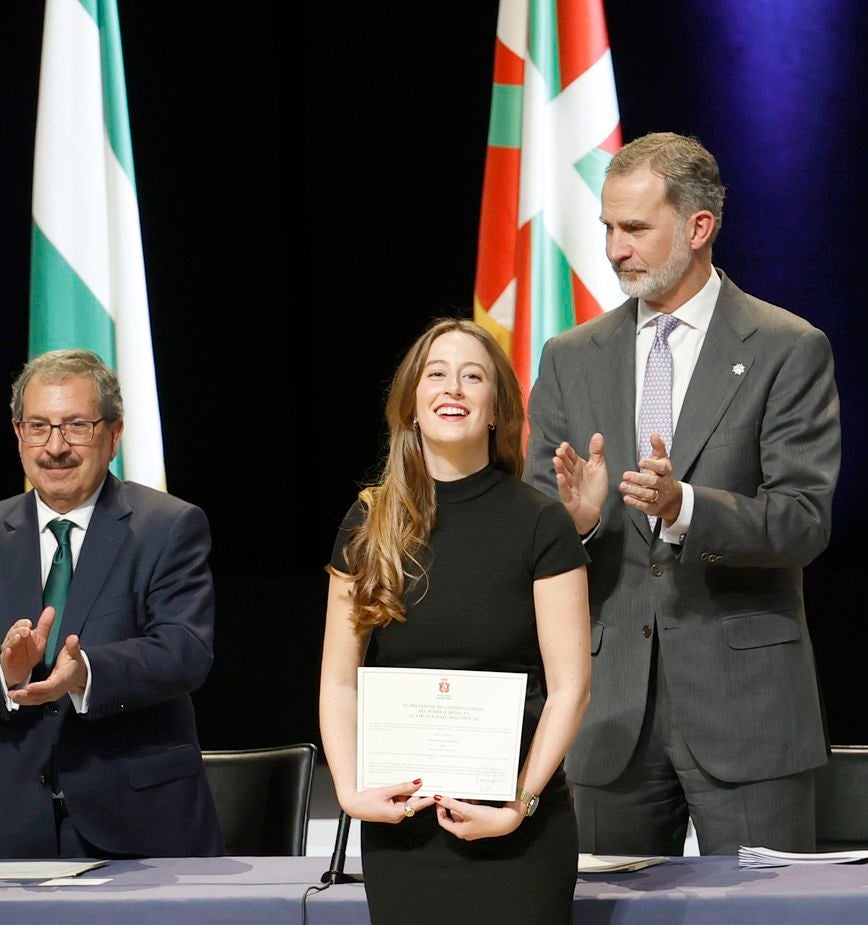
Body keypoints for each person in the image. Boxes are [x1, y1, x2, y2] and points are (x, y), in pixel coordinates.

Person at [527, 132, 840, 856]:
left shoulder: (787, 347)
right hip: (609, 718)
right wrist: (569, 523)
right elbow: (537, 526)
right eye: (607, 226)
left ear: (699, 227)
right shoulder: (571, 358)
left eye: (634, 227)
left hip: (750, 713)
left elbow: (803, 520)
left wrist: (685, 508)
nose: (613, 248)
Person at [320, 318, 590, 923]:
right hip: (404, 832)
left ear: (496, 408)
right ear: (412, 405)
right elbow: (339, 680)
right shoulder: (368, 522)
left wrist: (519, 805)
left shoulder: (542, 522)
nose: (454, 388)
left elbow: (570, 688)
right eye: (436, 375)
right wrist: (348, 791)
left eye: (474, 377)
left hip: (515, 834)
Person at [0, 348, 222, 860]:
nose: (55, 446)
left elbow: (185, 649)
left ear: (114, 433)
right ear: (18, 435)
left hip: (143, 827)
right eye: (38, 426)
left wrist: (85, 673)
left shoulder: (169, 526)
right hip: (15, 830)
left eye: (76, 425)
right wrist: (2, 669)